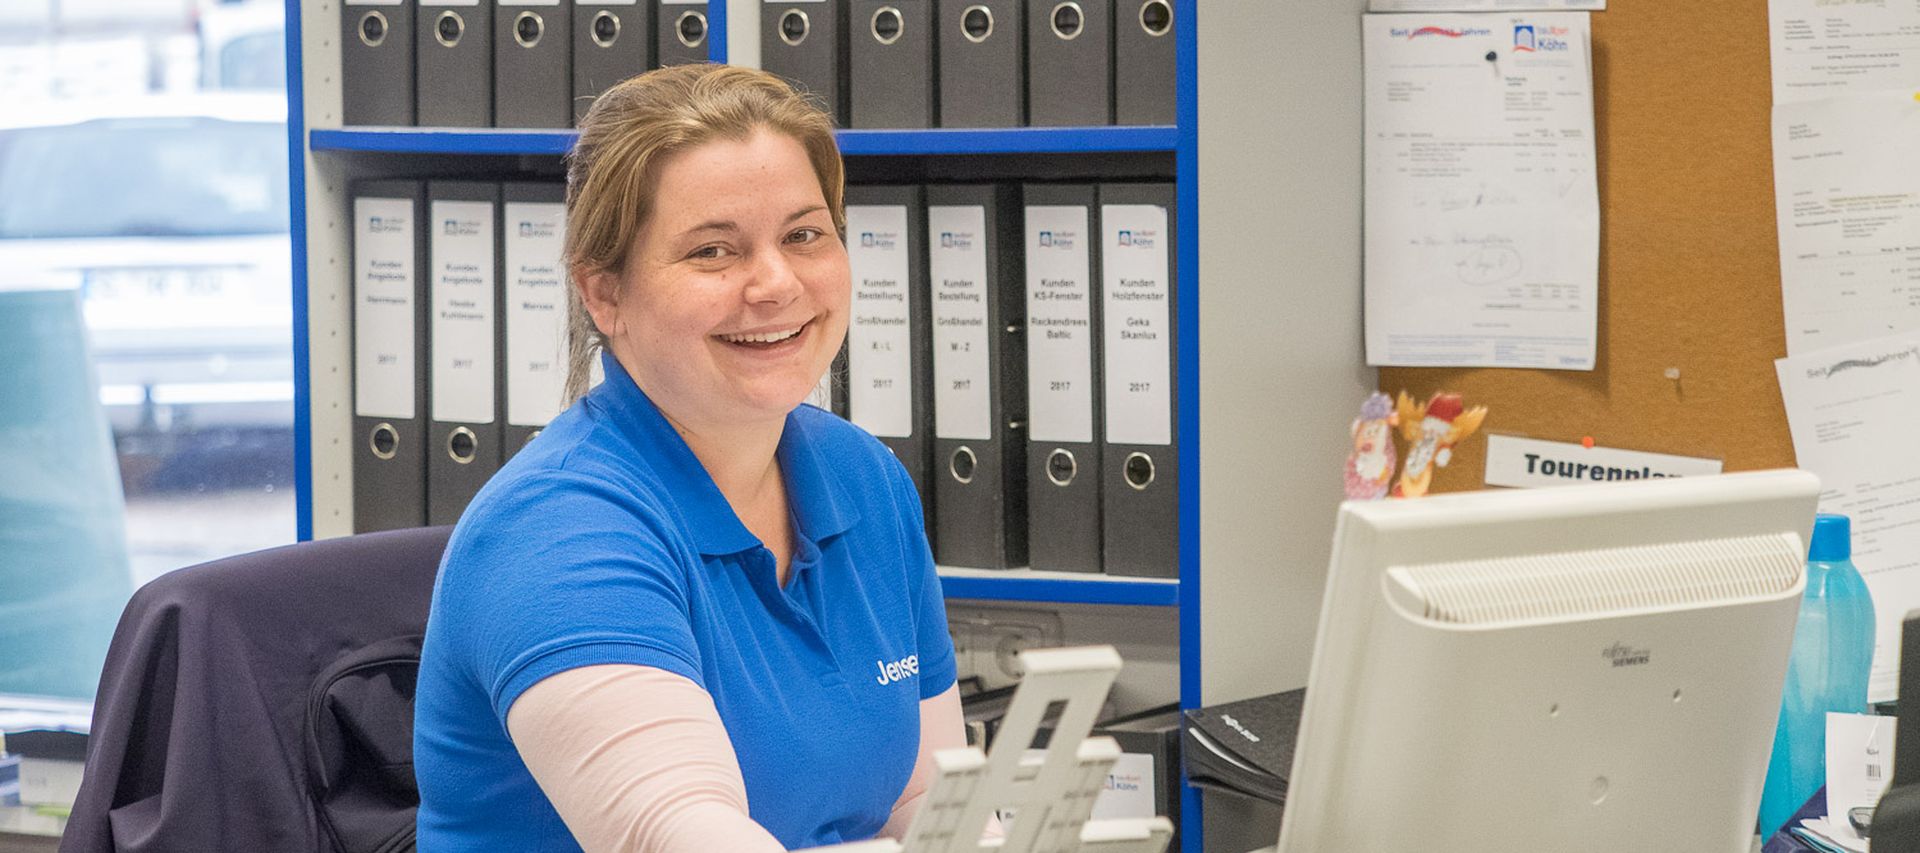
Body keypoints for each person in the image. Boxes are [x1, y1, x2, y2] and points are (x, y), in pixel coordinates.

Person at [413, 63, 965, 851]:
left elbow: (926, 799)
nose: (775, 283)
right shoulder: (555, 534)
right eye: (713, 250)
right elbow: (681, 834)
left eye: (804, 235)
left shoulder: (864, 478)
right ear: (604, 294)